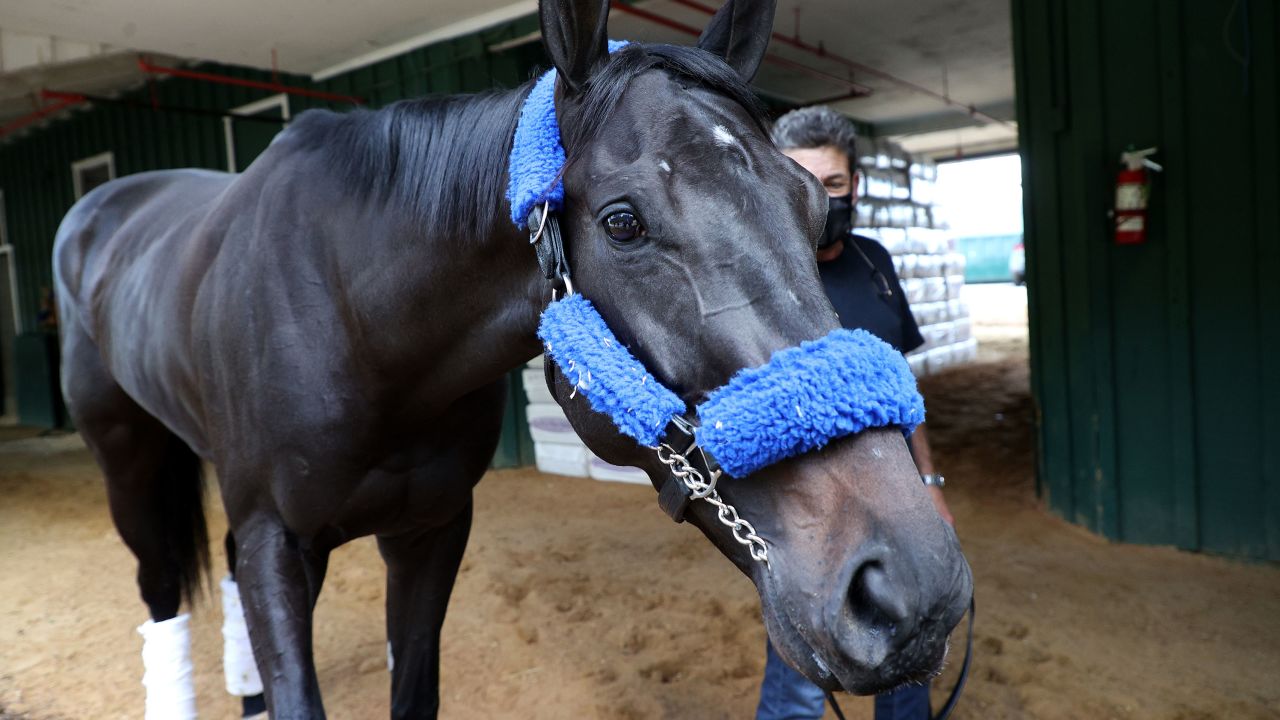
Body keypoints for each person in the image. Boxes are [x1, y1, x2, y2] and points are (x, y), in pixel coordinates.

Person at [755, 106, 954, 720]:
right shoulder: (756, 276)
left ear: (855, 186)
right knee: (803, 676)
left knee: (910, 636)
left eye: (833, 184)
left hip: (896, 491)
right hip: (811, 506)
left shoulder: (874, 262)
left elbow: (902, 387)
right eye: (801, 180)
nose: (819, 197)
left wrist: (930, 482)